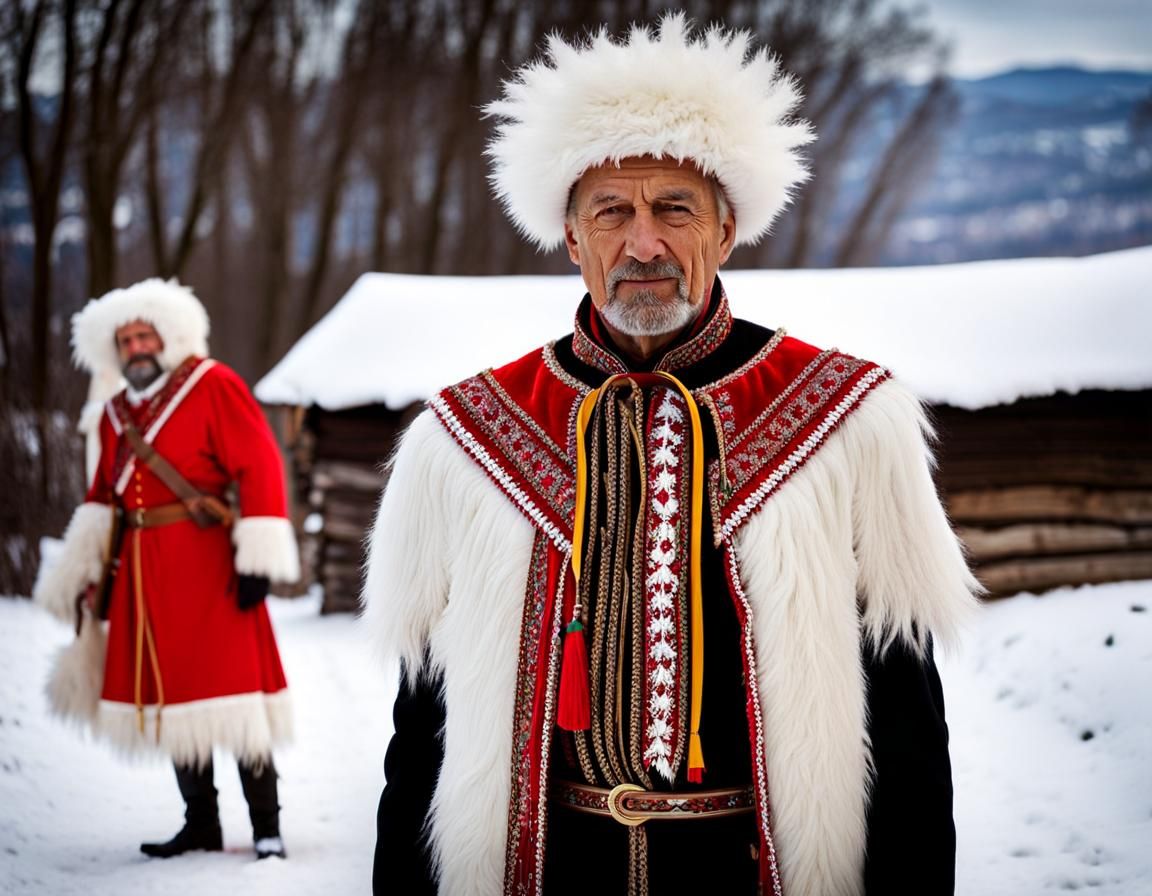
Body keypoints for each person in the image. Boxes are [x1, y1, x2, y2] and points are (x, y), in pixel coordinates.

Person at [361, 14, 981, 896]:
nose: (642, 244)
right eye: (611, 210)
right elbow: (421, 734)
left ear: (725, 232)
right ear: (572, 239)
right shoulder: (467, 439)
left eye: (674, 209)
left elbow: (912, 733)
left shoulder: (847, 422)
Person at [33, 278, 300, 861]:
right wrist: (84, 571)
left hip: (210, 567)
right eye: (124, 340)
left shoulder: (213, 385)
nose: (135, 348)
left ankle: (267, 827)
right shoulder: (111, 415)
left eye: (143, 336)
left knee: (235, 694)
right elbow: (103, 495)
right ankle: (200, 822)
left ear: (169, 336)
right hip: (142, 574)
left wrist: (257, 554)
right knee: (173, 695)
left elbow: (258, 462)